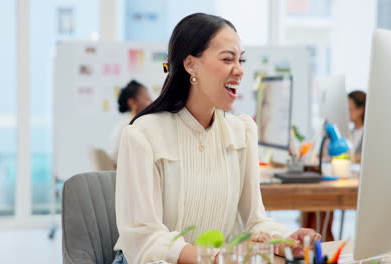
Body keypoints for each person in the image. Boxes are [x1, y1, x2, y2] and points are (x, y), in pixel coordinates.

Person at [113, 13, 321, 264]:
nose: (240, 70)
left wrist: (286, 240)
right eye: (227, 59)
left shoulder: (242, 131)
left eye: (241, 60)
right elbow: (144, 239)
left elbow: (255, 221)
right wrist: (214, 257)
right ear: (191, 64)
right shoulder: (142, 135)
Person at [108, 80, 151, 164]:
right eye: (146, 98)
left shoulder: (125, 121)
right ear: (132, 102)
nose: (151, 102)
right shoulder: (133, 124)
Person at [347, 90, 366, 163]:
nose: (346, 112)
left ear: (360, 110)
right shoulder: (350, 132)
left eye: (349, 109)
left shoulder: (368, 134)